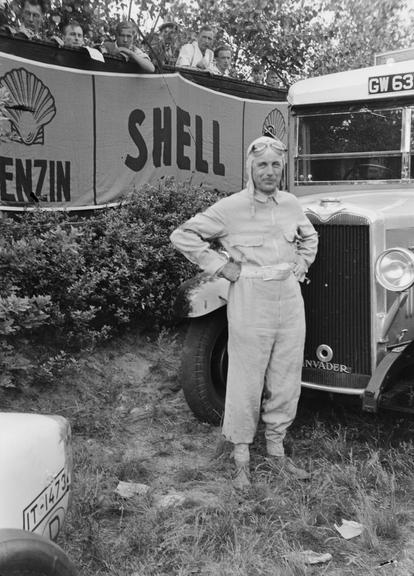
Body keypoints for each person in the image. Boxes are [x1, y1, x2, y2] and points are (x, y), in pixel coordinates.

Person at [170, 135, 318, 491]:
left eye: (275, 165)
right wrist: (221, 267)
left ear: (283, 169)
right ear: (251, 168)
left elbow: (309, 237)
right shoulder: (230, 208)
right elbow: (183, 235)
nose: (269, 172)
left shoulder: (290, 204)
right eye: (262, 165)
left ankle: (277, 451)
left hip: (288, 296)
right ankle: (241, 459)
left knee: (285, 375)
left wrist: (301, 263)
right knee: (246, 377)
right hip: (250, 297)